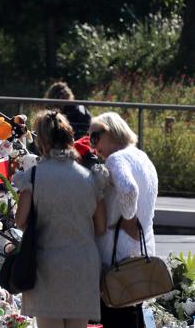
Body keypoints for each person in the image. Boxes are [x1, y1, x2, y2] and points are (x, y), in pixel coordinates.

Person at [13, 110, 106, 328]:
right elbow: (100, 227)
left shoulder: (34, 176)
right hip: (83, 266)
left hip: (48, 266)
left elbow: (20, 220)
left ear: (42, 141)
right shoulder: (91, 178)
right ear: (70, 139)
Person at [89, 112, 158, 328]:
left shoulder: (117, 159)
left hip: (117, 255)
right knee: (133, 313)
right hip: (140, 250)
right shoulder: (142, 157)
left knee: (116, 317)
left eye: (95, 137)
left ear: (109, 131)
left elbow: (129, 190)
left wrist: (129, 217)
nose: (93, 146)